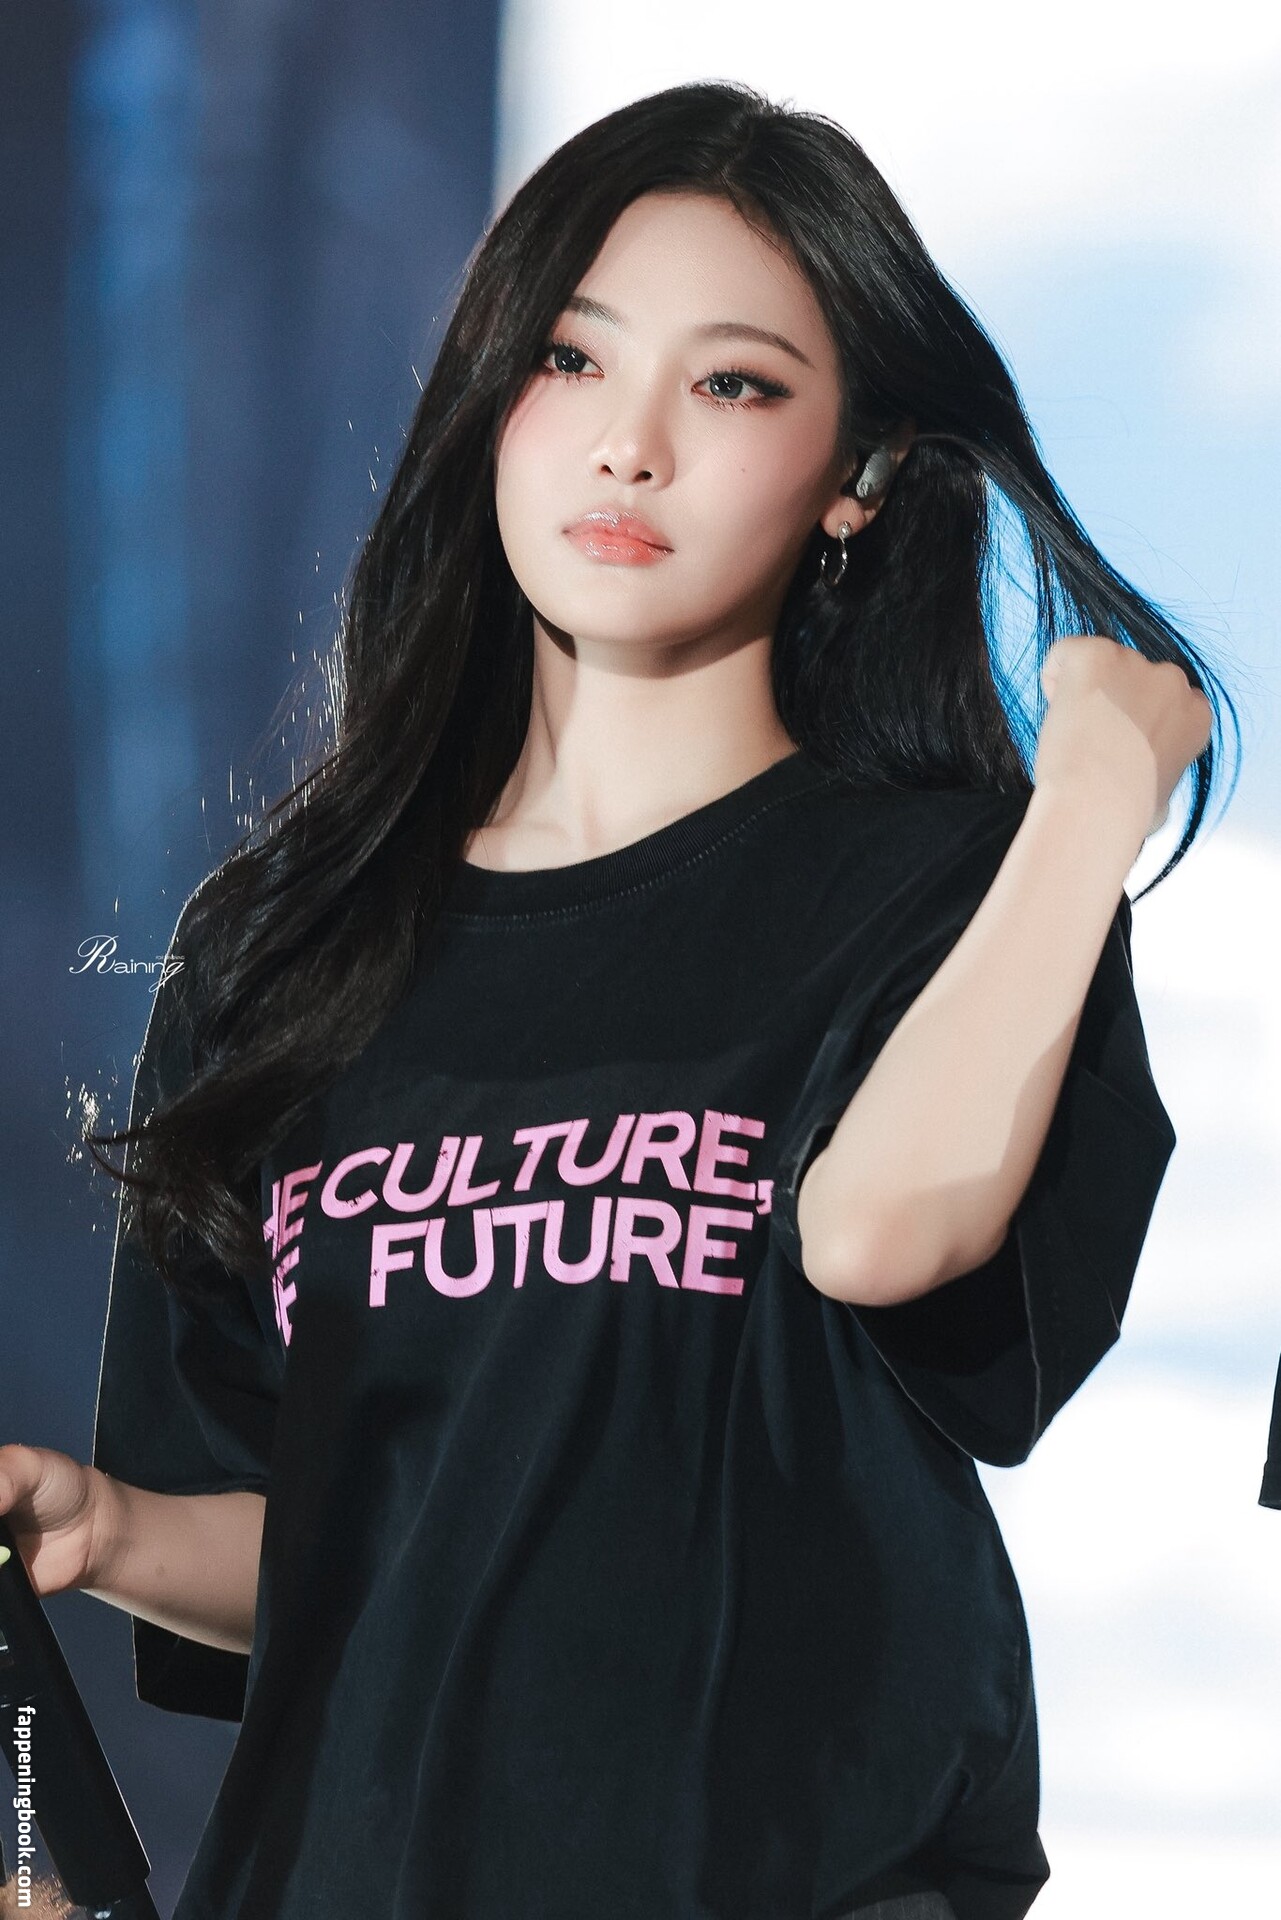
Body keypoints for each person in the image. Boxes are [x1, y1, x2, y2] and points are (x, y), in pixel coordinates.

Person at [0, 79, 1227, 1920]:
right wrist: (111, 1533)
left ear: (859, 475)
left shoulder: (959, 890)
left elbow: (879, 1234)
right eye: (570, 361)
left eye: (731, 385)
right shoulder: (274, 949)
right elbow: (343, 1551)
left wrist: (1090, 801)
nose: (627, 448)